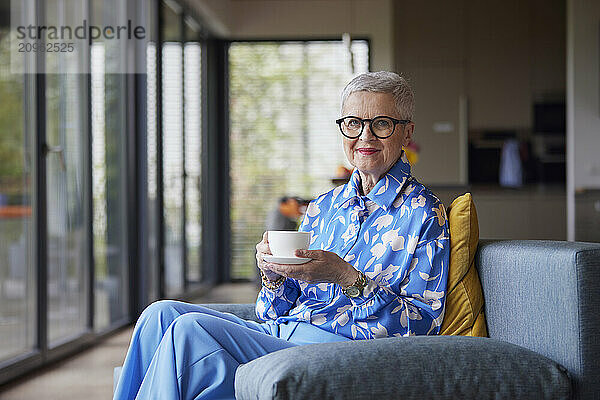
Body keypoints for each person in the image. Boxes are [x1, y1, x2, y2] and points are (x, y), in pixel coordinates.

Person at [113, 71, 450, 400]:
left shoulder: (425, 214)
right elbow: (271, 312)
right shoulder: (323, 207)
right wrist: (273, 277)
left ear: (407, 133)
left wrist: (345, 276)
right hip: (280, 333)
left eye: (381, 123)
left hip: (340, 350)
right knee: (160, 315)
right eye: (353, 123)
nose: (365, 136)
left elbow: (423, 327)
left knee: (189, 332)